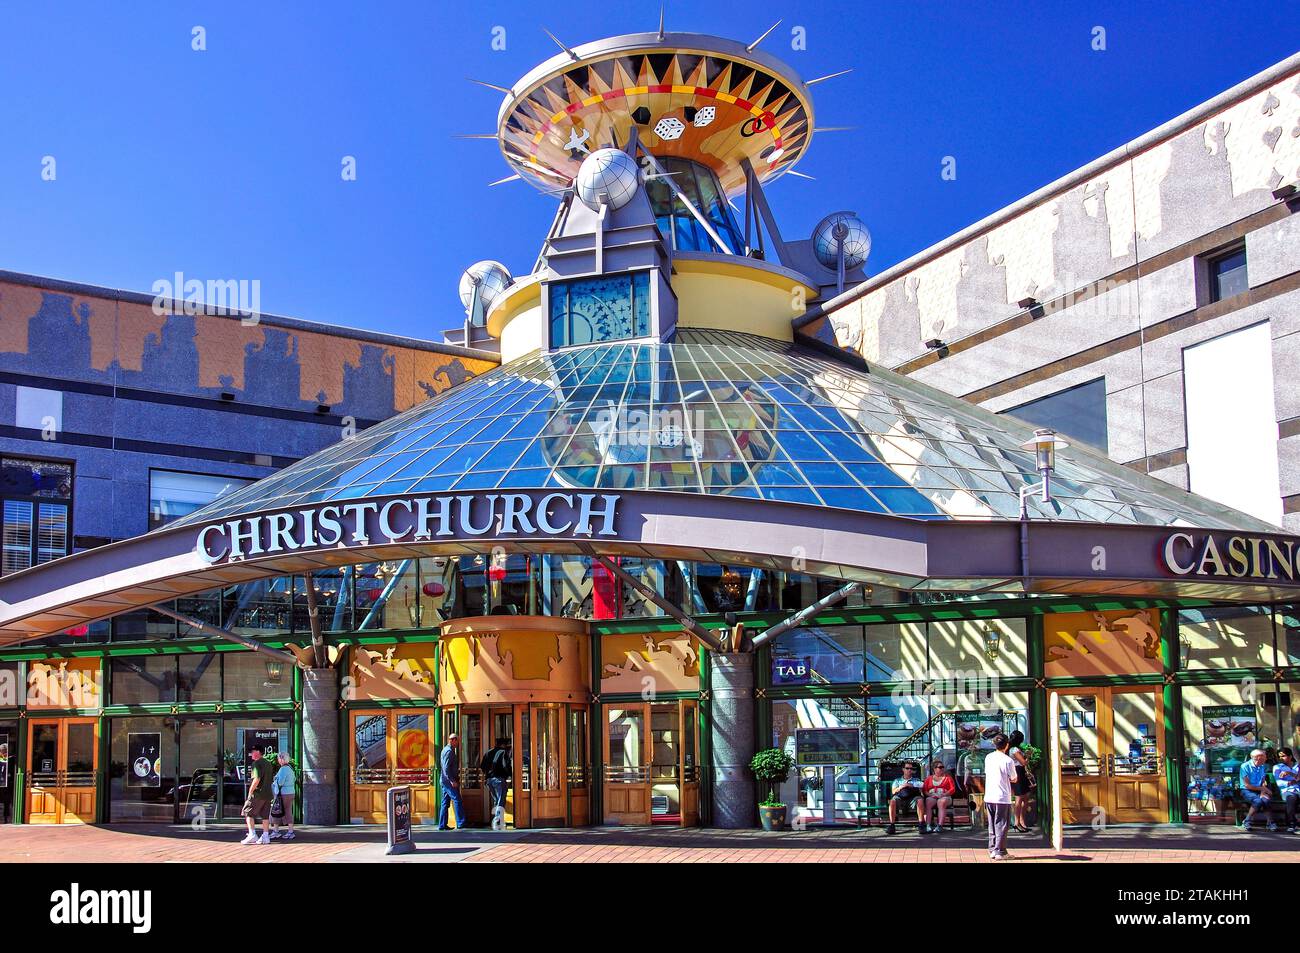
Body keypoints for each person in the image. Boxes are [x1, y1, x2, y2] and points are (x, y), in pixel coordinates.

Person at [983, 733, 1018, 860]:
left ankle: (992, 849)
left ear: (994, 744)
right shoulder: (1008, 760)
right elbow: (1014, 778)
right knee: (1002, 824)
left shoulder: (988, 757)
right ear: (1007, 745)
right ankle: (1000, 851)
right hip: (1002, 796)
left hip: (989, 795)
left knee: (992, 824)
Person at [240, 745, 274, 845]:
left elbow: (257, 779)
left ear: (258, 752)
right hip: (268, 794)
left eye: (253, 751)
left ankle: (252, 834)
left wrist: (250, 792)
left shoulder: (256, 763)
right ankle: (266, 836)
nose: (251, 754)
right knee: (265, 816)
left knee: (248, 812)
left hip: (258, 794)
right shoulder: (268, 763)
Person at [1240, 748, 1276, 832]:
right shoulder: (1244, 766)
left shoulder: (1262, 766)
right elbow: (1247, 785)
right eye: (1264, 757)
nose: (1266, 759)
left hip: (1259, 789)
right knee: (1258, 801)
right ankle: (1246, 821)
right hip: (1246, 790)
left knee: (1266, 800)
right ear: (1257, 758)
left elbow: (1263, 782)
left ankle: (1270, 822)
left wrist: (1263, 792)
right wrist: (1263, 789)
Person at [480, 736, 512, 828]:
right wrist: (510, 775)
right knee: (501, 800)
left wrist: (488, 774)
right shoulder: (503, 752)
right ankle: (497, 820)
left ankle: (500, 820)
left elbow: (482, 766)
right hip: (499, 779)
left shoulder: (488, 752)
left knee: (496, 800)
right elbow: (506, 766)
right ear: (503, 745)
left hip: (489, 780)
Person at [886, 761, 925, 835]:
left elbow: (921, 789)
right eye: (907, 768)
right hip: (900, 798)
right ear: (903, 769)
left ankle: (921, 824)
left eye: (911, 768)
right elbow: (893, 792)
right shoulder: (897, 780)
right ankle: (892, 825)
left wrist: (912, 786)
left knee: (920, 800)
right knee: (892, 801)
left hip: (912, 799)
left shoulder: (916, 780)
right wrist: (901, 787)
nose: (909, 770)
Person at [438, 733, 467, 830]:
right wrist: (452, 780)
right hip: (448, 781)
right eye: (457, 740)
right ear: (453, 740)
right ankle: (461, 822)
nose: (458, 743)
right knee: (457, 799)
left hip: (445, 780)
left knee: (445, 802)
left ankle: (442, 825)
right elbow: (446, 768)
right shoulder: (448, 751)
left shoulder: (446, 750)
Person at [1007, 730, 1034, 832]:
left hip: (1020, 772)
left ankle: (1021, 821)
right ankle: (1017, 822)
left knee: (1025, 797)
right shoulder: (1014, 750)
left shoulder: (1015, 749)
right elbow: (1023, 762)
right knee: (1019, 798)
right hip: (1018, 772)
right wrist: (1028, 755)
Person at [922, 760, 956, 833]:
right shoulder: (929, 778)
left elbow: (952, 789)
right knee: (928, 801)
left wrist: (944, 794)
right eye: (940, 767)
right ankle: (928, 825)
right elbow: (925, 790)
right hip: (933, 796)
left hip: (945, 796)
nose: (942, 768)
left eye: (943, 767)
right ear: (934, 769)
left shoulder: (948, 777)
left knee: (941, 802)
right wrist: (931, 795)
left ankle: (940, 825)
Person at [269, 752, 296, 841]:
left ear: (282, 759)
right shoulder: (290, 768)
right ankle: (290, 831)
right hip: (291, 792)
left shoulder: (283, 769)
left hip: (283, 793)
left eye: (278, 758)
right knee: (288, 811)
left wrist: (275, 779)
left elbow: (280, 782)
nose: (278, 760)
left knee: (276, 810)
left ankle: (276, 831)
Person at [1273, 747, 1300, 834]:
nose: (1280, 758)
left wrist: (1289, 773)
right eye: (1279, 756)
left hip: (1298, 789)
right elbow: (1279, 782)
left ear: (1290, 756)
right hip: (1287, 790)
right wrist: (1292, 781)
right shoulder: (1277, 767)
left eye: (1283, 756)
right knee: (1292, 797)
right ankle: (1291, 824)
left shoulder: (1298, 765)